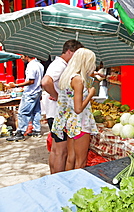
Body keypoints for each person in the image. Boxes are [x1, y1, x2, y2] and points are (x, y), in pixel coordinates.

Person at [51, 48, 98, 170]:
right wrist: (90, 94)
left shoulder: (68, 77)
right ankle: (77, 186)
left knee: (70, 158)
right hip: (80, 123)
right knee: (80, 162)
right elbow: (78, 108)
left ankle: (68, 184)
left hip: (70, 122)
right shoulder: (78, 80)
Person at [41, 39, 83, 174]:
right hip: (58, 112)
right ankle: (57, 180)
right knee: (61, 151)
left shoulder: (59, 64)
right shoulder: (59, 64)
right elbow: (46, 82)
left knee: (55, 149)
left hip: (55, 113)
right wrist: (58, 96)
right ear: (69, 51)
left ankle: (53, 176)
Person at [6, 55, 44, 141]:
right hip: (37, 91)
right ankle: (36, 130)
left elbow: (31, 81)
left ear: (27, 56)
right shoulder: (39, 65)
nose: (21, 59)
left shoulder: (31, 66)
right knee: (36, 111)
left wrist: (16, 85)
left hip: (30, 92)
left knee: (23, 112)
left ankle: (20, 132)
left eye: (22, 56)